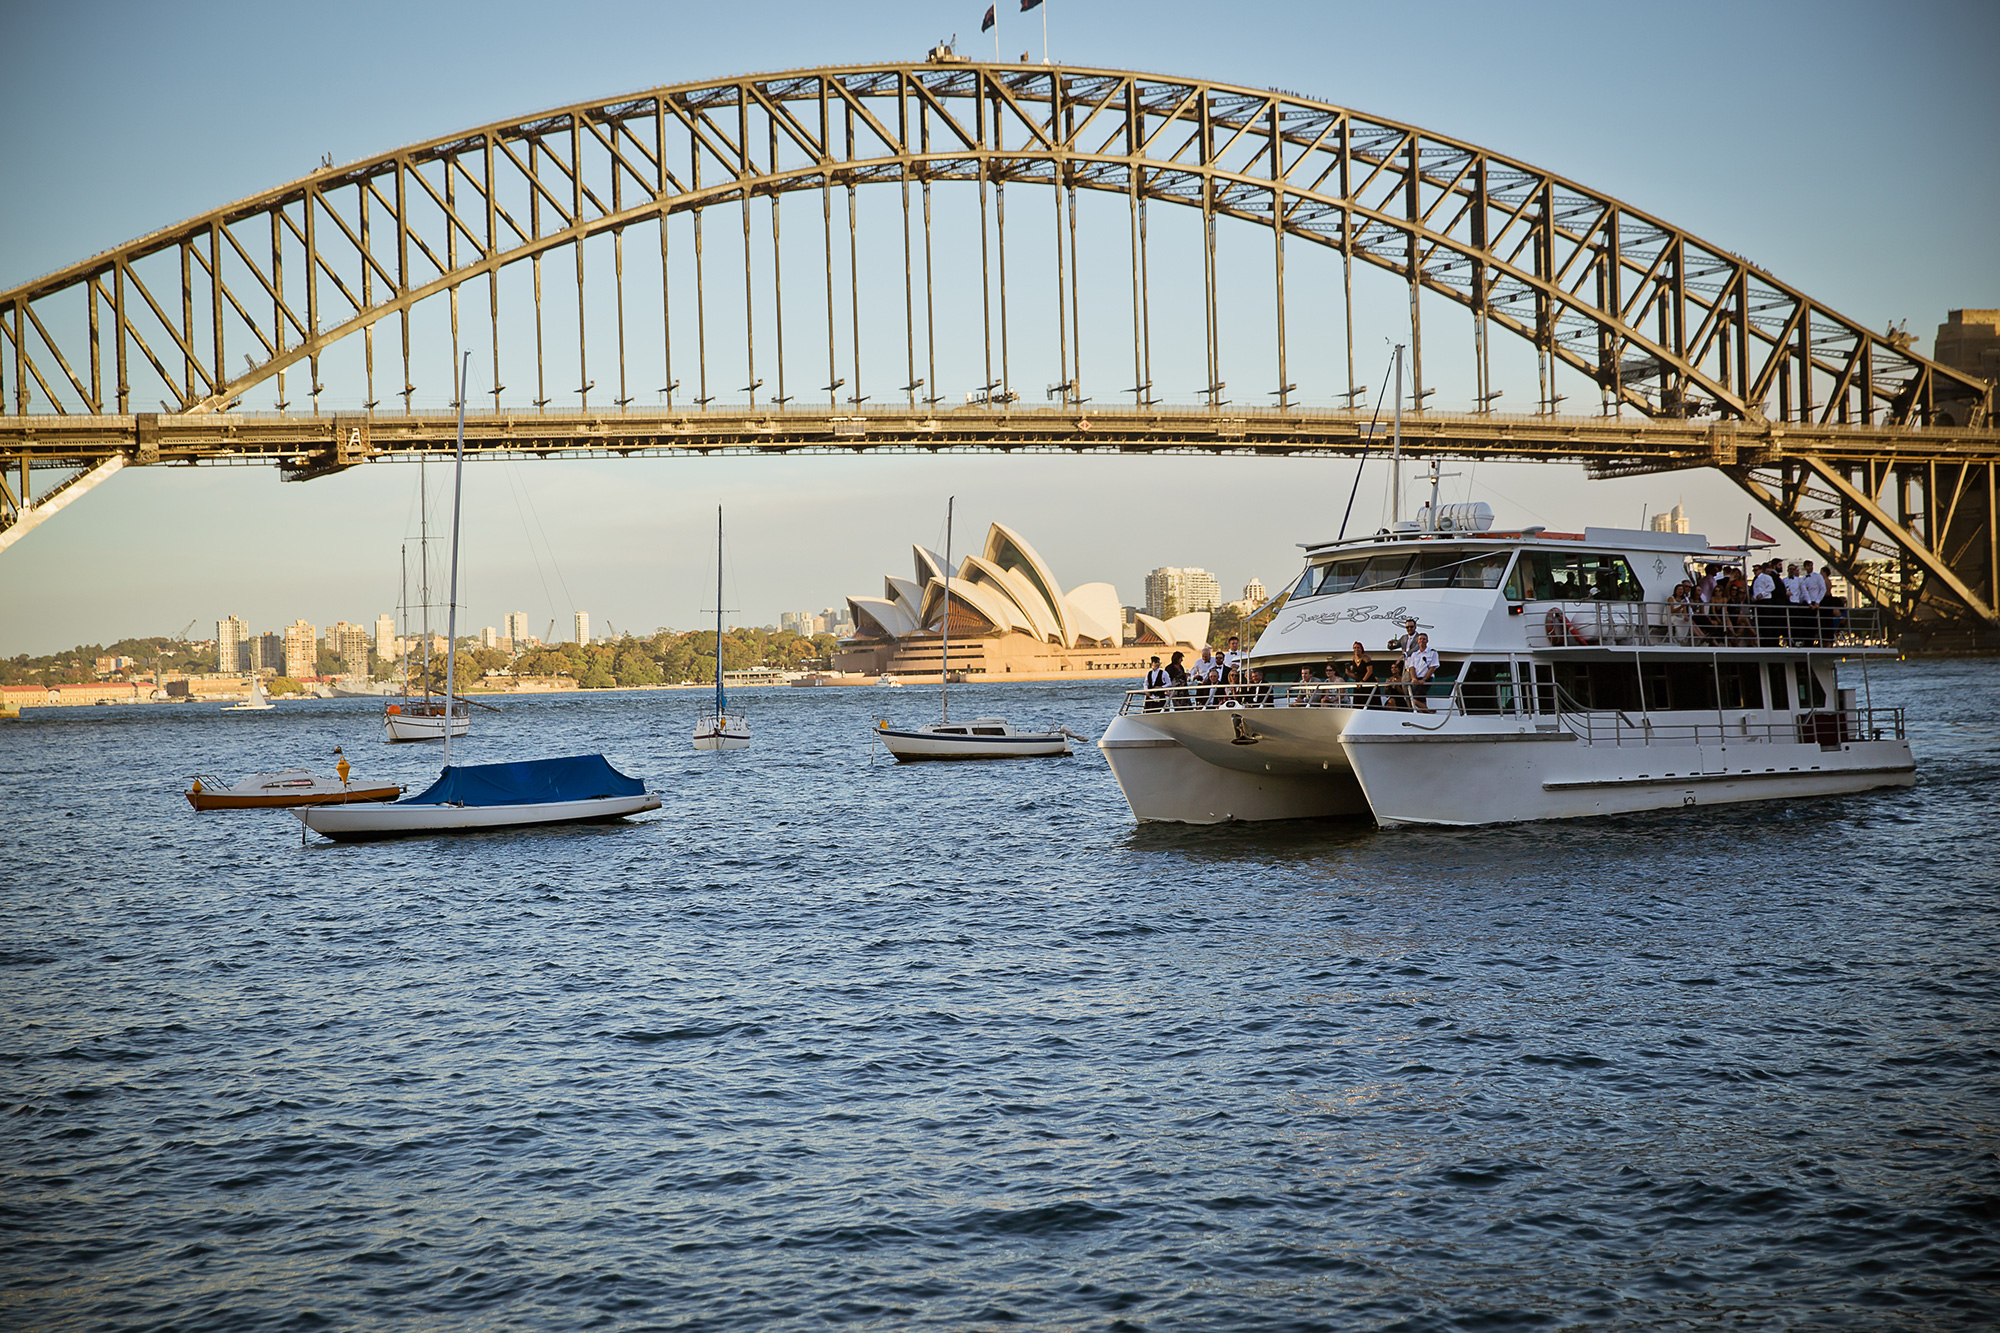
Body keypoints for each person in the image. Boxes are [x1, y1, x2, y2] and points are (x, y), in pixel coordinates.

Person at [1404, 632, 1440, 712]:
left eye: (1424, 639)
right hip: (1416, 679)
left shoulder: (1433, 652)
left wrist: (1424, 679)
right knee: (1421, 699)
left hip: (1426, 679)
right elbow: (1412, 667)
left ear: (1427, 641)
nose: (1422, 641)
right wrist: (1413, 678)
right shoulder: (1414, 654)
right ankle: (1424, 713)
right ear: (1417, 641)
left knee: (1414, 699)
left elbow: (1432, 668)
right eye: (1420, 639)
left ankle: (1427, 711)